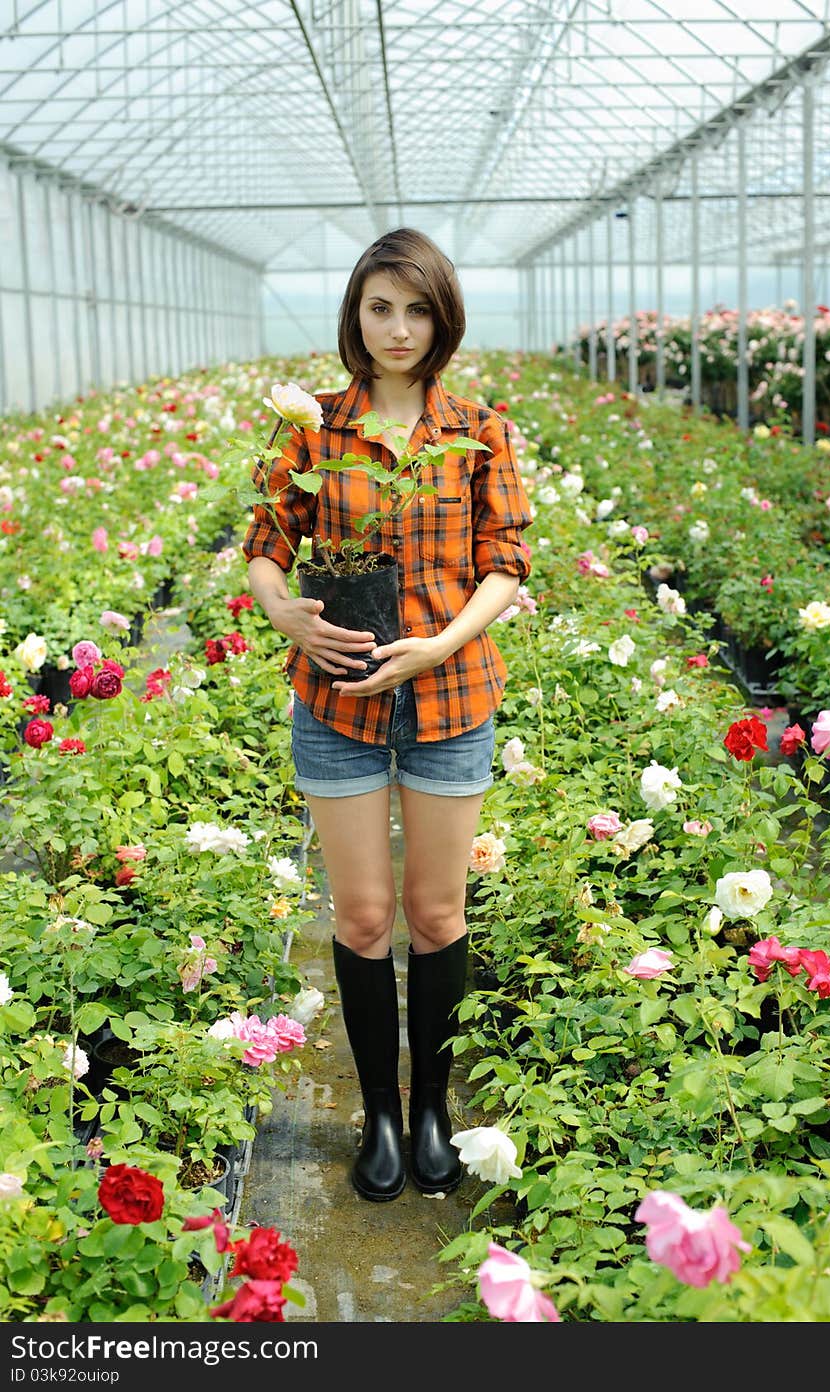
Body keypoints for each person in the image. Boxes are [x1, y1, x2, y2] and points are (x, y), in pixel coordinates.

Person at [241, 227, 532, 1202]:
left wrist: (441, 641)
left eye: (415, 309)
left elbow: (505, 560)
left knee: (435, 911)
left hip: (450, 701)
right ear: (354, 315)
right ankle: (375, 1110)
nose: (397, 328)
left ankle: (431, 1111)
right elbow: (266, 544)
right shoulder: (313, 429)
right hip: (337, 705)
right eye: (379, 307)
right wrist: (284, 611)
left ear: (442, 317)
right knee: (363, 916)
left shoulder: (479, 426)